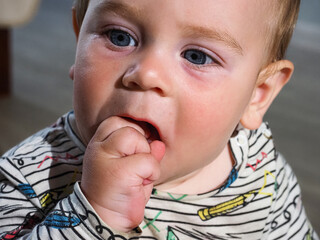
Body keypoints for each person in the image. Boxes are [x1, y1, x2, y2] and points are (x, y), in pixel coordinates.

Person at [0, 0, 318, 239]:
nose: (147, 73)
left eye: (197, 56)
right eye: (119, 36)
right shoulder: (30, 175)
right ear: (77, 44)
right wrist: (97, 213)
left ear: (257, 94)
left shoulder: (263, 167)